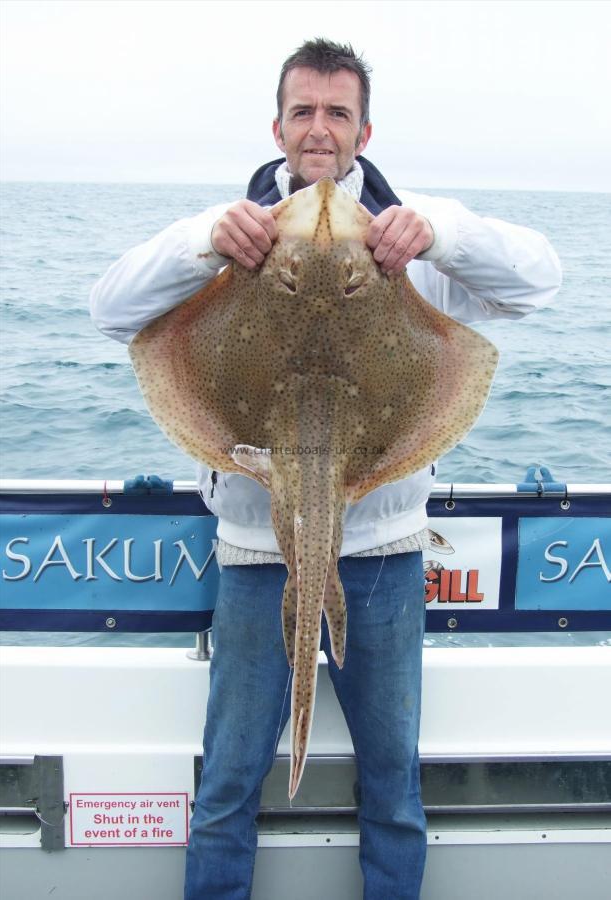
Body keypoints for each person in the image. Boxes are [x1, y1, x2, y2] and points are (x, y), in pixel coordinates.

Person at [90, 38, 561, 900]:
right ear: (277, 125)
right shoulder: (232, 234)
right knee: (228, 782)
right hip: (251, 558)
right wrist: (204, 241)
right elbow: (109, 307)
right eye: (303, 110)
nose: (319, 128)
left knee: (394, 787)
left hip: (383, 559)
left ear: (364, 131)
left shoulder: (406, 239)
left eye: (337, 113)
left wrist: (441, 233)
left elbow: (541, 279)